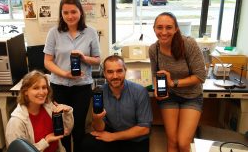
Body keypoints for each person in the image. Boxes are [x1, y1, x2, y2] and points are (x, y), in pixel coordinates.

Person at [43, 0, 101, 152]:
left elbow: (97, 60)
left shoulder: (90, 32)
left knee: (79, 126)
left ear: (80, 12)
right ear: (61, 14)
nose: (70, 16)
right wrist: (64, 74)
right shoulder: (53, 33)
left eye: (73, 12)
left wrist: (84, 57)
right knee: (63, 127)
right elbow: (47, 61)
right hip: (59, 86)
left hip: (82, 87)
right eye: (65, 12)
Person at [149, 12, 206, 152]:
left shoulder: (188, 44)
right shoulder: (153, 49)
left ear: (176, 29)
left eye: (168, 27)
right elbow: (155, 74)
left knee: (183, 142)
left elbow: (200, 76)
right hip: (169, 97)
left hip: (191, 96)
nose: (163, 32)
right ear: (154, 28)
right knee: (172, 141)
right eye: (159, 27)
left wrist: (173, 82)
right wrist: (157, 88)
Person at [82, 55, 153, 152]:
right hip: (113, 139)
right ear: (104, 74)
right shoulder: (100, 93)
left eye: (119, 71)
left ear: (125, 71)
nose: (115, 76)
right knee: (87, 143)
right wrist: (96, 119)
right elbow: (100, 128)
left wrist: (113, 136)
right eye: (110, 72)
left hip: (135, 140)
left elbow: (144, 129)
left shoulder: (140, 91)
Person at [5, 70, 74, 152]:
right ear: (25, 91)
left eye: (44, 87)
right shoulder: (16, 122)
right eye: (36, 88)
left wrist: (67, 113)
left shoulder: (48, 106)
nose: (41, 92)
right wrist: (46, 141)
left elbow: (66, 131)